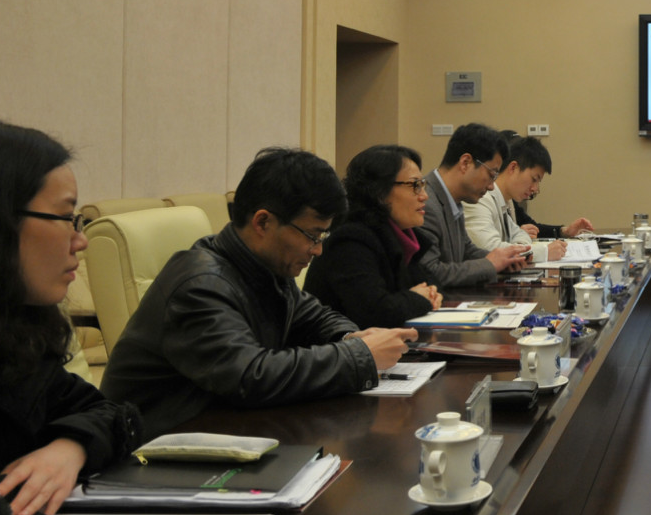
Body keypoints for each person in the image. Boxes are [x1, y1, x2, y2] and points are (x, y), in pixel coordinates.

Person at [100, 147, 415, 437]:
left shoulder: (264, 267)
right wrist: (358, 356)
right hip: (151, 450)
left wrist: (352, 338)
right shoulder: (199, 286)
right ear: (263, 222)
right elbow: (251, 376)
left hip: (220, 430)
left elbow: (316, 317)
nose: (318, 250)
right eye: (312, 235)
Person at [0, 119, 142, 515]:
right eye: (67, 218)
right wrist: (11, 505)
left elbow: (110, 412)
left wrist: (68, 448)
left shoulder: (8, 329)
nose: (81, 240)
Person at [306, 145, 447, 327]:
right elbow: (376, 312)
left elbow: (431, 285)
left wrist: (430, 294)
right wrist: (420, 299)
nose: (424, 196)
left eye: (422, 185)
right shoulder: (351, 241)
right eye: (415, 185)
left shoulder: (404, 236)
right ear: (379, 192)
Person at [420, 123, 531, 292]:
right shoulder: (425, 203)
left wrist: (503, 260)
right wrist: (489, 264)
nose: (492, 187)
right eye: (491, 175)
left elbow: (466, 250)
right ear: (465, 163)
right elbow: (429, 272)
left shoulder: (454, 198)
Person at [466, 135, 576, 259]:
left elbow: (520, 234)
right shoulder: (480, 199)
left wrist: (518, 247)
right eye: (534, 179)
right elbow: (489, 249)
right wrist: (543, 253)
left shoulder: (505, 200)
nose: (535, 189)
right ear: (513, 168)